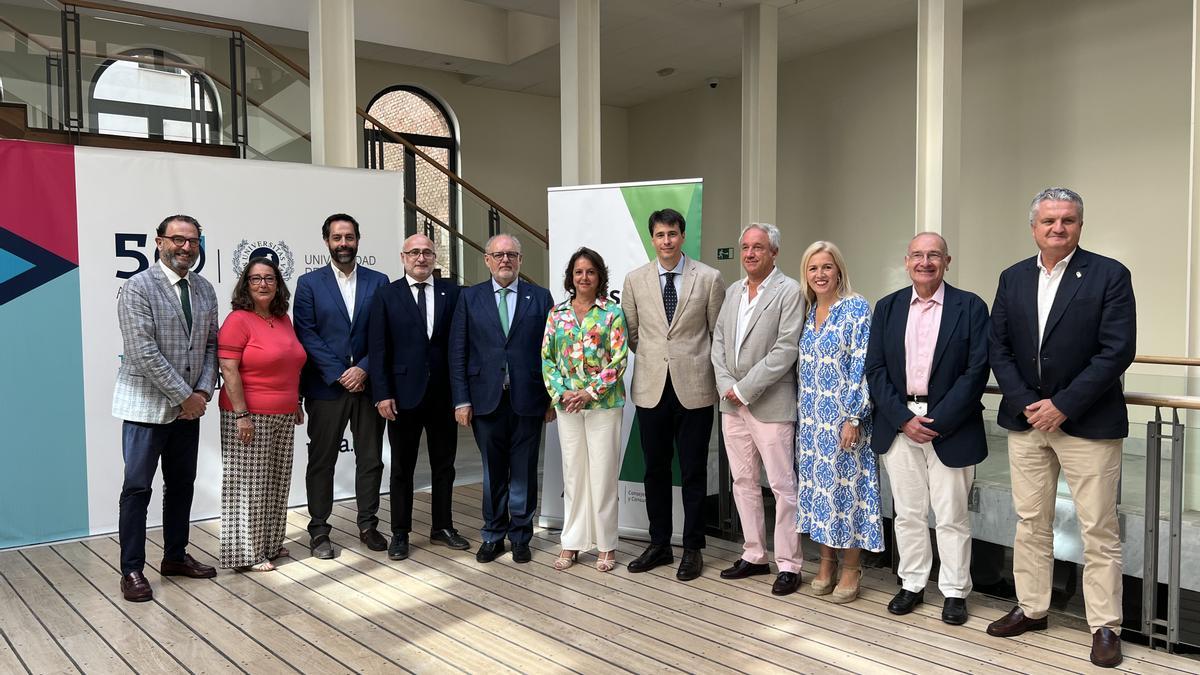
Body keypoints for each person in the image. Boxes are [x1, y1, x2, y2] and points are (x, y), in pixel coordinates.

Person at [986, 187, 1135, 669]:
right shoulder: (1011, 278)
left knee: (1098, 527)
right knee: (1031, 521)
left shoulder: (1110, 275)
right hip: (1027, 421)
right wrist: (1030, 403)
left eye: (1067, 220)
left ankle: (1105, 625)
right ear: (1033, 227)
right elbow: (999, 349)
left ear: (1080, 225)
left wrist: (1063, 405)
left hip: (1088, 422)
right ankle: (1032, 607)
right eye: (1049, 221)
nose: (1058, 228)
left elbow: (1116, 350)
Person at [865, 232, 990, 625]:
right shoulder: (887, 308)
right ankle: (913, 583)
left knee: (952, 515)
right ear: (906, 262)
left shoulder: (970, 307)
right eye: (918, 255)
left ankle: (954, 591)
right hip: (899, 425)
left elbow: (976, 371)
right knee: (907, 513)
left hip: (949, 428)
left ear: (947, 262)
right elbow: (875, 369)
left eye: (933, 255)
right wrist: (903, 418)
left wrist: (936, 422)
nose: (925, 262)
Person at [113, 214, 219, 602]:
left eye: (193, 241)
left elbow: (211, 346)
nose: (186, 247)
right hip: (146, 407)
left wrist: (204, 392)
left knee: (180, 486)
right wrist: (184, 396)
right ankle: (132, 569)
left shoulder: (205, 289)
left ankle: (175, 556)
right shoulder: (137, 287)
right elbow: (142, 352)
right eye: (178, 239)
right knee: (137, 488)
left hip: (188, 410)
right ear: (159, 242)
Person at [621, 208, 725, 581]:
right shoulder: (635, 280)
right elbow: (634, 336)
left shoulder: (709, 278)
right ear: (653, 238)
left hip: (695, 388)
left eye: (673, 234)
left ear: (683, 236)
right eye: (660, 234)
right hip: (651, 389)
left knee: (694, 471)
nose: (667, 241)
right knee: (655, 470)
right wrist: (657, 360)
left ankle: (693, 548)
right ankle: (660, 544)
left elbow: (717, 335)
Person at [711, 223, 805, 596]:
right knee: (742, 482)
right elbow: (718, 342)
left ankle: (789, 564)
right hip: (731, 405)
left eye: (758, 248)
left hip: (770, 403)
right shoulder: (733, 291)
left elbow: (786, 349)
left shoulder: (789, 292)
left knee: (783, 486)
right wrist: (725, 387)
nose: (750, 254)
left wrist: (744, 389)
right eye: (746, 248)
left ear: (774, 253)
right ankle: (754, 554)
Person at [450, 234, 555, 563]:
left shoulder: (539, 298)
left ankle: (521, 535)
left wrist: (551, 398)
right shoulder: (470, 298)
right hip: (485, 400)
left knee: (523, 470)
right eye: (498, 255)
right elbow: (458, 352)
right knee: (493, 471)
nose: (505, 260)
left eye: (511, 254)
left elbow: (549, 352)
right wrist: (461, 401)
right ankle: (493, 534)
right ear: (487, 260)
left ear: (521, 260)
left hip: (529, 398)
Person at [293, 213, 389, 560]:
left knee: (371, 459)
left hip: (367, 387)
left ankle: (368, 524)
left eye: (349, 237)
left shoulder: (379, 282)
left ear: (358, 240)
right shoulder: (309, 284)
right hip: (326, 387)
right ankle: (319, 529)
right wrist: (340, 372)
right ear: (327, 242)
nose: (343, 244)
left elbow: (384, 333)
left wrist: (362, 369)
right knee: (322, 461)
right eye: (337, 238)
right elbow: (306, 333)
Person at [368, 233, 467, 560]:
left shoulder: (452, 293)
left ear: (435, 256)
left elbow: (459, 345)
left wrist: (461, 395)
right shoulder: (386, 295)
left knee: (444, 465)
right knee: (401, 468)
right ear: (403, 257)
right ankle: (400, 532)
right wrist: (382, 394)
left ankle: (442, 526)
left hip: (443, 395)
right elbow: (379, 349)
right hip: (402, 397)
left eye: (427, 252)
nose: (421, 258)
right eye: (414, 253)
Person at [794, 240, 881, 604]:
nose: (820, 274)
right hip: (812, 423)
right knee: (819, 494)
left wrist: (853, 417)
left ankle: (850, 567)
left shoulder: (856, 308)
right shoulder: (807, 311)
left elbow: (864, 366)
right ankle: (825, 563)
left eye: (827, 267)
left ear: (839, 270)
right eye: (813, 269)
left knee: (848, 494)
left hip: (847, 421)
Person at [217, 257, 307, 572]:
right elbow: (228, 367)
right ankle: (247, 552)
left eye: (269, 278)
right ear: (246, 284)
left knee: (276, 481)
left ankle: (269, 542)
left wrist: (295, 400)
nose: (263, 284)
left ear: (278, 283)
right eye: (255, 279)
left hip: (283, 412)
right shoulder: (238, 320)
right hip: (248, 414)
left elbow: (290, 362)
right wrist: (242, 414)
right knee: (249, 486)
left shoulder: (283, 318)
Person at [541, 247, 628, 572]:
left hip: (603, 405)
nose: (584, 277)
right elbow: (547, 359)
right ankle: (573, 543)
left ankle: (606, 546)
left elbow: (619, 360)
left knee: (602, 476)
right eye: (578, 272)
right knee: (574, 475)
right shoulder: (557, 314)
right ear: (571, 277)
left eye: (590, 271)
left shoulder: (612, 313)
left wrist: (588, 393)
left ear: (599, 276)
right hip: (568, 407)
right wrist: (564, 394)